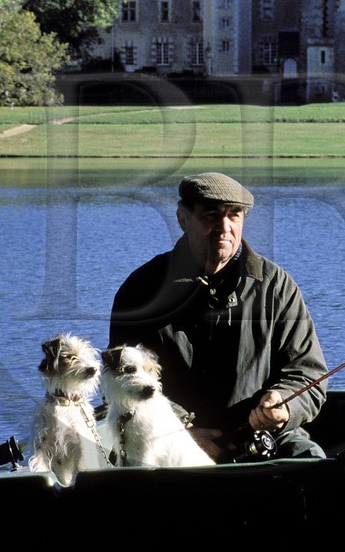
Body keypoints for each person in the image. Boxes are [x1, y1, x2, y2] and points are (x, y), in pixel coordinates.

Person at [109, 172, 327, 459]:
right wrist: (181, 429)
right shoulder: (141, 289)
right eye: (211, 216)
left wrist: (284, 405)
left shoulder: (276, 286)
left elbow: (308, 373)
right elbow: (120, 381)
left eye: (234, 216)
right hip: (165, 437)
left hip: (261, 437)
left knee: (315, 463)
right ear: (183, 219)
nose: (224, 227)